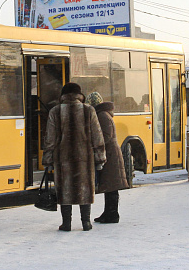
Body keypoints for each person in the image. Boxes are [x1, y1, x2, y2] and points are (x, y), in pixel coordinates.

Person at [42, 83, 106, 231]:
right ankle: (86, 222)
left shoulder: (55, 112)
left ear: (63, 96)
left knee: (65, 190)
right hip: (85, 158)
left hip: (63, 159)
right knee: (84, 188)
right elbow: (98, 137)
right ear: (80, 95)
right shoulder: (88, 110)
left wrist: (48, 160)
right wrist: (100, 158)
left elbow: (50, 139)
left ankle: (67, 223)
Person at [86, 92, 129, 224]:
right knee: (110, 185)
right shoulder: (103, 114)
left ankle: (112, 214)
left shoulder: (102, 116)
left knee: (111, 185)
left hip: (110, 155)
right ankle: (109, 212)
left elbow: (106, 136)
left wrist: (94, 143)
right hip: (110, 154)